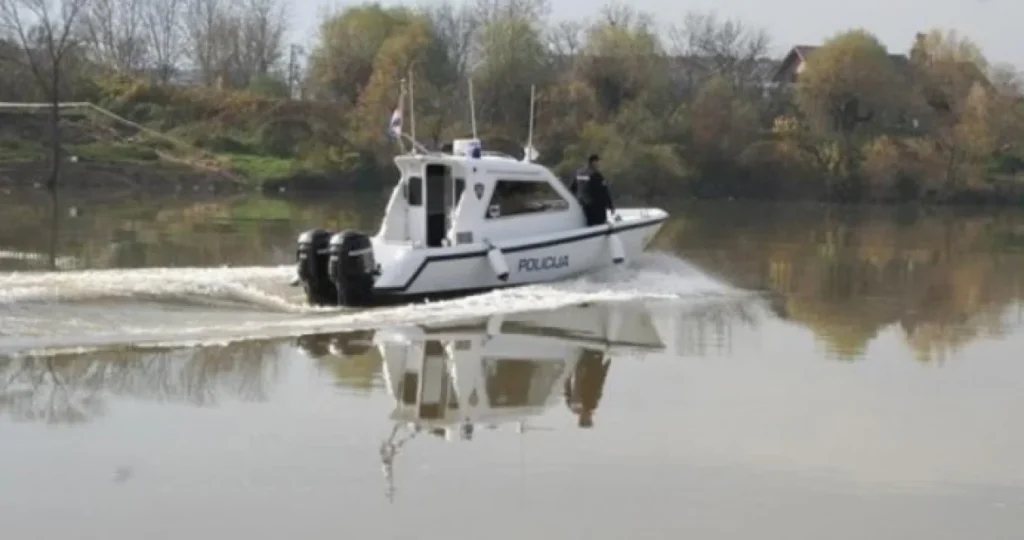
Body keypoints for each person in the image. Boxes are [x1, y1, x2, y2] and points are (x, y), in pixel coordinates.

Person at [570, 154, 615, 226]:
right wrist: (611, 206)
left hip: (583, 205)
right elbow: (604, 192)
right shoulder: (596, 175)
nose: (599, 164)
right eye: (598, 162)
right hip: (596, 208)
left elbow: (572, 189)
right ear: (593, 162)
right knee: (598, 226)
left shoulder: (579, 173)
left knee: (590, 224)